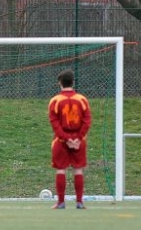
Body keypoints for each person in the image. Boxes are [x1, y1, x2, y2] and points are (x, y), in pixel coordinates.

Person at [46, 69, 91, 209]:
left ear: (60, 83)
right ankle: (79, 202)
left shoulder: (55, 101)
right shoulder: (82, 100)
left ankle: (61, 202)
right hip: (79, 141)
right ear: (73, 82)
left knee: (61, 169)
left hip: (60, 141)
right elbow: (87, 121)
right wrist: (77, 138)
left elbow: (54, 123)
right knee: (78, 170)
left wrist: (66, 139)